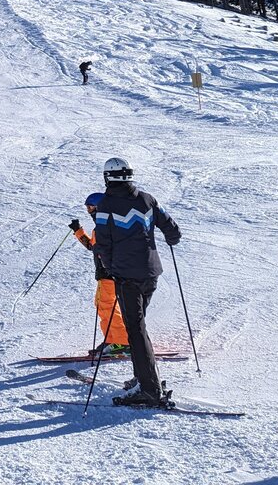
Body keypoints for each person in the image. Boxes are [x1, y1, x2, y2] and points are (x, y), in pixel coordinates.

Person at [92, 157, 182, 408]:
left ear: (108, 177)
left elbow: (102, 244)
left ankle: (149, 389)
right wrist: (171, 238)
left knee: (136, 329)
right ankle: (144, 376)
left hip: (127, 277)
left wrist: (110, 268)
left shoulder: (106, 205)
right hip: (150, 274)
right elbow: (171, 228)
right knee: (138, 326)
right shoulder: (147, 199)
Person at [71, 193, 129, 355]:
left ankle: (122, 342)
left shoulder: (109, 226)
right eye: (87, 208)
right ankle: (112, 339)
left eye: (90, 207)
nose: (88, 211)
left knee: (108, 305)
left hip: (111, 273)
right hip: (105, 274)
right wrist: (78, 231)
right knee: (102, 305)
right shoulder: (101, 227)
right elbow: (93, 247)